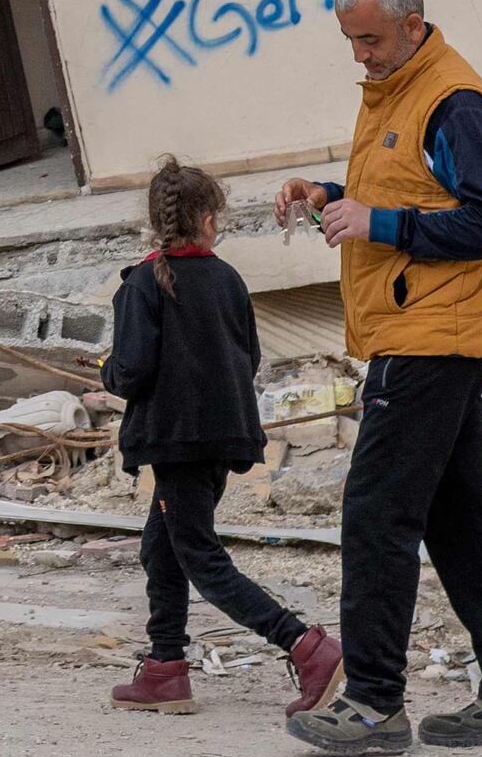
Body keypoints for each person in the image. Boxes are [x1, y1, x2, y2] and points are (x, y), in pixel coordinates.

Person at [269, 0, 482, 755]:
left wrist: (377, 223)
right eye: (352, 40)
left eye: (371, 39)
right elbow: (405, 189)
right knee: (463, 522)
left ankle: (373, 704)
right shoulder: (399, 89)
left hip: (431, 334)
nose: (360, 54)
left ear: (413, 24)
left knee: (376, 511)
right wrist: (327, 193)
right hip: (425, 331)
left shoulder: (452, 100)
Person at [97, 155, 338, 719]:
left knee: (201, 557)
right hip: (223, 436)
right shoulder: (227, 279)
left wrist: (106, 370)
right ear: (210, 219)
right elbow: (247, 357)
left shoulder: (143, 284)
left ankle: (308, 648)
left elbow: (129, 371)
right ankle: (164, 669)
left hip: (175, 442)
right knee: (162, 548)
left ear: (158, 221)